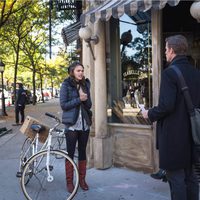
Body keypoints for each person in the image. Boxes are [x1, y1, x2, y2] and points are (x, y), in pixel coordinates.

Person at [141, 35, 200, 200]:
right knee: (191, 177)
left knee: (176, 180)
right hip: (193, 135)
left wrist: (149, 113)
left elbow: (167, 106)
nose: (165, 53)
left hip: (174, 136)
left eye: (166, 49)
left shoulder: (169, 73)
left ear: (172, 50)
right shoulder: (196, 73)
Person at [60, 61, 92, 193]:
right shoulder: (66, 84)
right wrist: (79, 99)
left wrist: (85, 99)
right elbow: (64, 105)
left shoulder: (85, 84)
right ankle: (69, 182)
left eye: (82, 70)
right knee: (70, 153)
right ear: (72, 71)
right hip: (72, 125)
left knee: (83, 152)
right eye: (78, 70)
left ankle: (82, 180)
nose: (81, 73)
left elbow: (89, 105)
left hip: (84, 124)